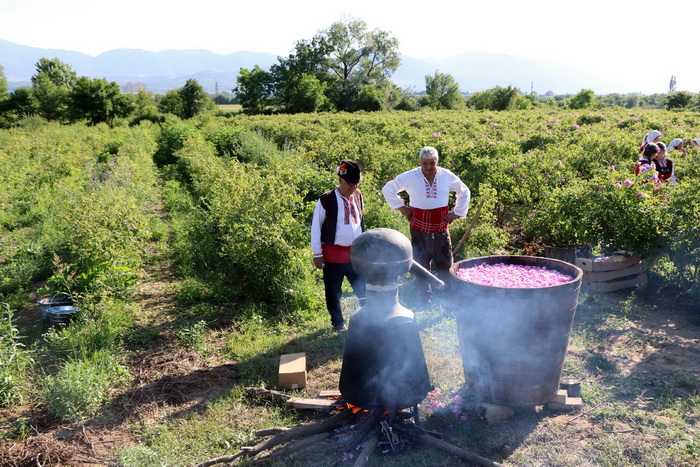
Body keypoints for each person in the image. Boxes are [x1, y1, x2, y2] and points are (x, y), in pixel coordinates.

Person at [382, 146, 470, 306]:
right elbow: (388, 188)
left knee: (446, 264)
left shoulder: (446, 176)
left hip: (441, 228)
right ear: (420, 162)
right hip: (419, 228)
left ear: (437, 161)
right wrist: (402, 208)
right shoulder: (410, 176)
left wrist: (457, 212)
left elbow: (464, 191)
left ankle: (449, 299)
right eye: (425, 163)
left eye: (432, 163)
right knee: (421, 265)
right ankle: (426, 300)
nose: (428, 166)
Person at [311, 160, 366, 332]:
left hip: (355, 254)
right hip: (333, 255)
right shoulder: (326, 200)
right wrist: (317, 254)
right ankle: (338, 323)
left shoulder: (357, 195)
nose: (353, 187)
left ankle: (369, 317)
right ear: (340, 181)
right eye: (350, 183)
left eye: (355, 183)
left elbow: (361, 223)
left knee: (363, 287)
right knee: (334, 291)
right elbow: (315, 228)